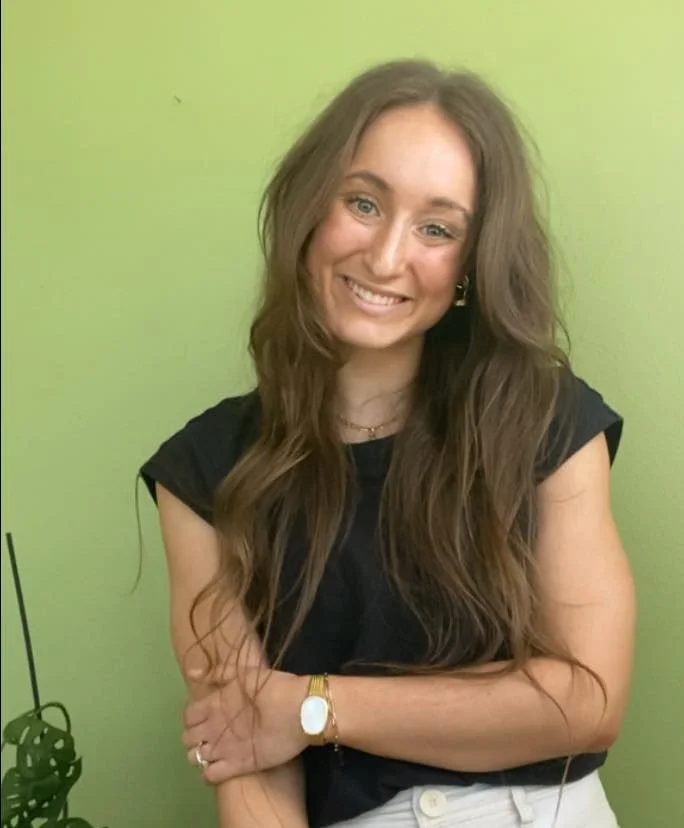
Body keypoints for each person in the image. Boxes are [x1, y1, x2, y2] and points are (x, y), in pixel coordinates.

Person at [140, 59, 635, 828]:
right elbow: (244, 752)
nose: (385, 257)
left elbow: (586, 704)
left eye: (437, 229)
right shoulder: (204, 471)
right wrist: (282, 717)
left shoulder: (545, 420)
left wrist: (311, 708)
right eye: (363, 203)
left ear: (468, 266)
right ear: (310, 208)